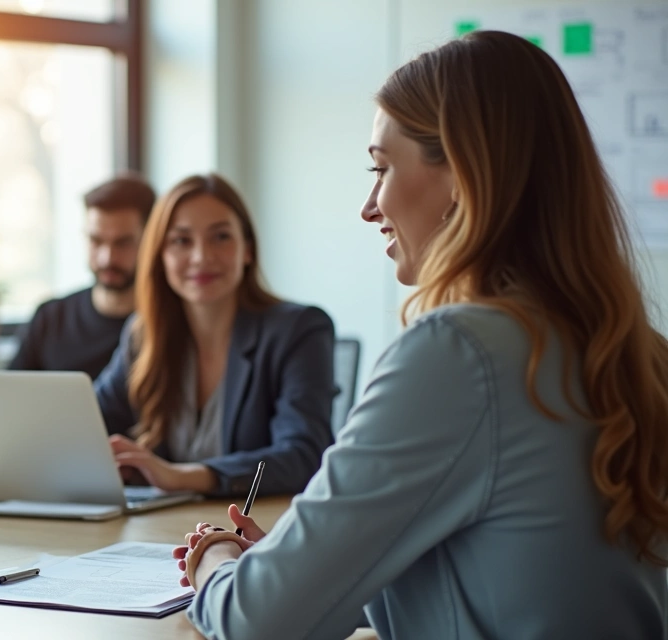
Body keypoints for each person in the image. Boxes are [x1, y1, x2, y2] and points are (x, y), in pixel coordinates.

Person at [176, 30, 668, 639]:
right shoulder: (637, 348)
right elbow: (506, 574)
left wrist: (216, 563)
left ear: (462, 173)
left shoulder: (461, 353)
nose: (369, 206)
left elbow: (257, 624)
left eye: (380, 169)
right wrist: (307, 566)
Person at [94, 174, 336, 496]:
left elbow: (303, 457)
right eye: (181, 241)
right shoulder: (144, 336)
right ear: (160, 256)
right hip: (164, 529)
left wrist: (183, 477)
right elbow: (89, 425)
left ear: (247, 250)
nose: (201, 257)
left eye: (220, 237)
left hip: (255, 531)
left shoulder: (299, 330)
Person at [8, 173, 155, 380]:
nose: (107, 258)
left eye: (123, 243)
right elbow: (11, 399)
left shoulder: (166, 322)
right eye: (96, 241)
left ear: (151, 241)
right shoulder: (51, 318)